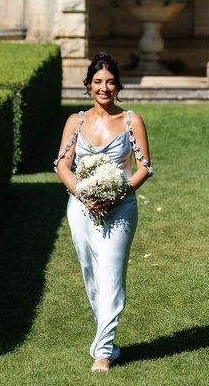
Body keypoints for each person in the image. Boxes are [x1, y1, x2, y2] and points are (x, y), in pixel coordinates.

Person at [54, 52, 153, 373]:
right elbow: (62, 165)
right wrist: (82, 193)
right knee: (91, 275)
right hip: (80, 207)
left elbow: (144, 168)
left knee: (111, 274)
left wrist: (114, 194)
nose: (104, 88)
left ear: (118, 86)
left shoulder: (131, 121)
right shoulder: (75, 121)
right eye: (98, 82)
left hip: (120, 207)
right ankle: (105, 341)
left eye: (110, 82)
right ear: (88, 85)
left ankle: (103, 353)